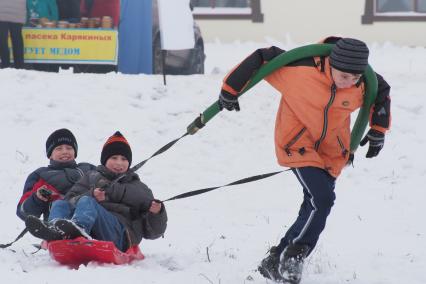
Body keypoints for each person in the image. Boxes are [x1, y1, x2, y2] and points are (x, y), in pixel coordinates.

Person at [217, 37, 391, 283]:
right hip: (296, 145)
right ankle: (294, 257)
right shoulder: (299, 69)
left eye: (355, 78)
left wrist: (378, 130)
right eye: (344, 76)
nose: (349, 83)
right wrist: (230, 89)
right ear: (331, 63)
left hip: (333, 152)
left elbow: (381, 91)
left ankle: (274, 259)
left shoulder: (361, 82)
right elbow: (263, 57)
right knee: (323, 199)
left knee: (314, 205)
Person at [26, 131, 167, 252]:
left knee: (87, 202)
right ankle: (54, 232)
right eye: (114, 158)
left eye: (124, 159)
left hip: (121, 235)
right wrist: (91, 194)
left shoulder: (139, 187)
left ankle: (78, 231)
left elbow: (153, 232)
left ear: (129, 163)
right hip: (94, 230)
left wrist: (157, 213)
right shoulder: (91, 177)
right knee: (60, 204)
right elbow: (70, 200)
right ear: (105, 160)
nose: (119, 163)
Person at [17, 128, 95, 222]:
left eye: (69, 148)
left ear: (75, 153)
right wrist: (37, 198)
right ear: (50, 155)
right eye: (59, 149)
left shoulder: (88, 169)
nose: (65, 151)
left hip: (89, 220)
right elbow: (22, 211)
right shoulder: (40, 175)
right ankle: (56, 229)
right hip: (58, 219)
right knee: (59, 205)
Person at [0, 0, 26, 69]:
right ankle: (19, 67)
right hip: (17, 11)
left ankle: (5, 66)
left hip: (3, 11)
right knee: (16, 40)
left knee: (2, 41)